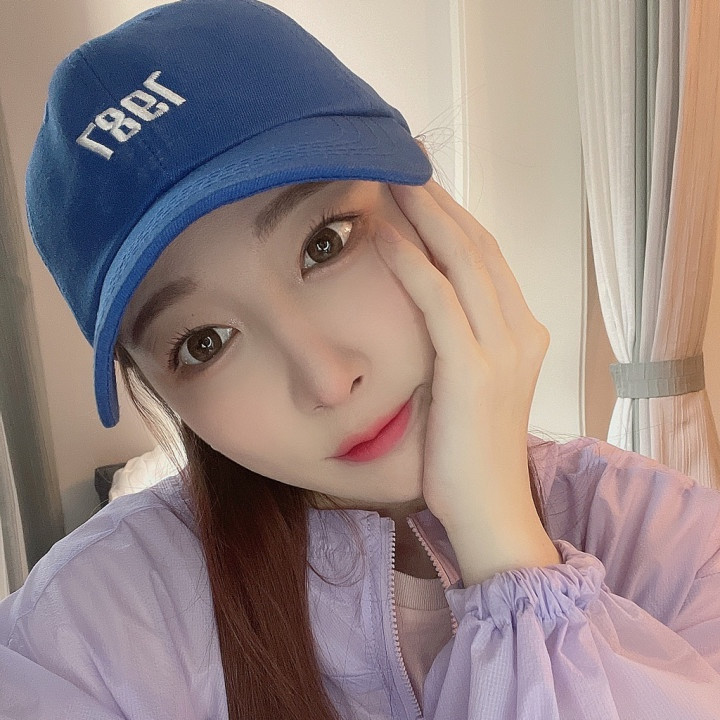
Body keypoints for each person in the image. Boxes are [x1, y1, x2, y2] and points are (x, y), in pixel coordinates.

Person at [2, 0, 720, 718]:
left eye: (326, 243)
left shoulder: (672, 545)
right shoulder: (80, 640)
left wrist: (506, 551)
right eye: (203, 343)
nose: (328, 380)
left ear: (429, 204)